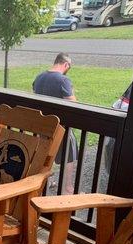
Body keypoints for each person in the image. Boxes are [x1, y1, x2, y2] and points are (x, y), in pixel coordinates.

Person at [33, 53, 78, 194]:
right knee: (70, 157)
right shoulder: (64, 80)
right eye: (68, 68)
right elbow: (74, 104)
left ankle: (44, 183)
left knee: (45, 156)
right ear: (66, 65)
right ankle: (67, 188)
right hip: (60, 127)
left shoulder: (39, 78)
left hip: (43, 125)